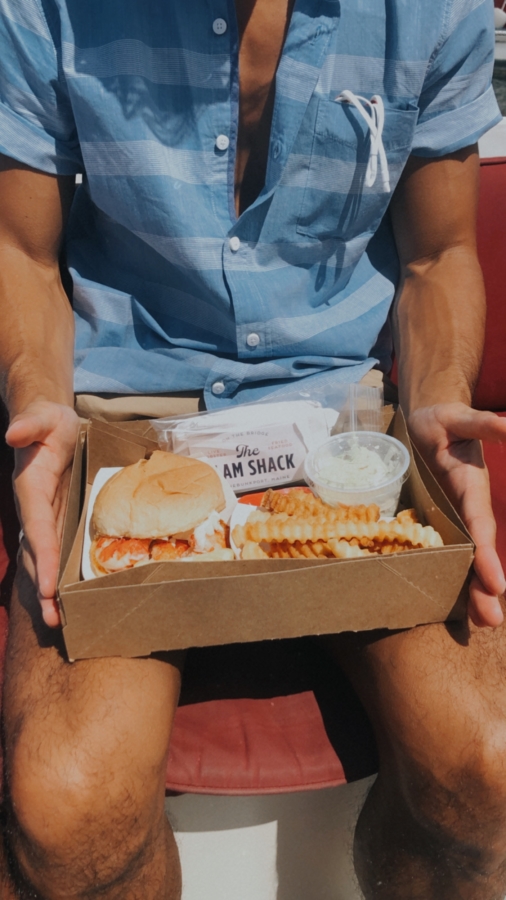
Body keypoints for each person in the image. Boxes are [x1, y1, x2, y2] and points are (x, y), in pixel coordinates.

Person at [0, 0, 506, 897]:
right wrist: (36, 394)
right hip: (124, 423)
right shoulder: (44, 11)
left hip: (343, 423)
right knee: (65, 810)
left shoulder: (439, 10)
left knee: (490, 769)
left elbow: (438, 255)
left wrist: (436, 399)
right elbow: (21, 253)